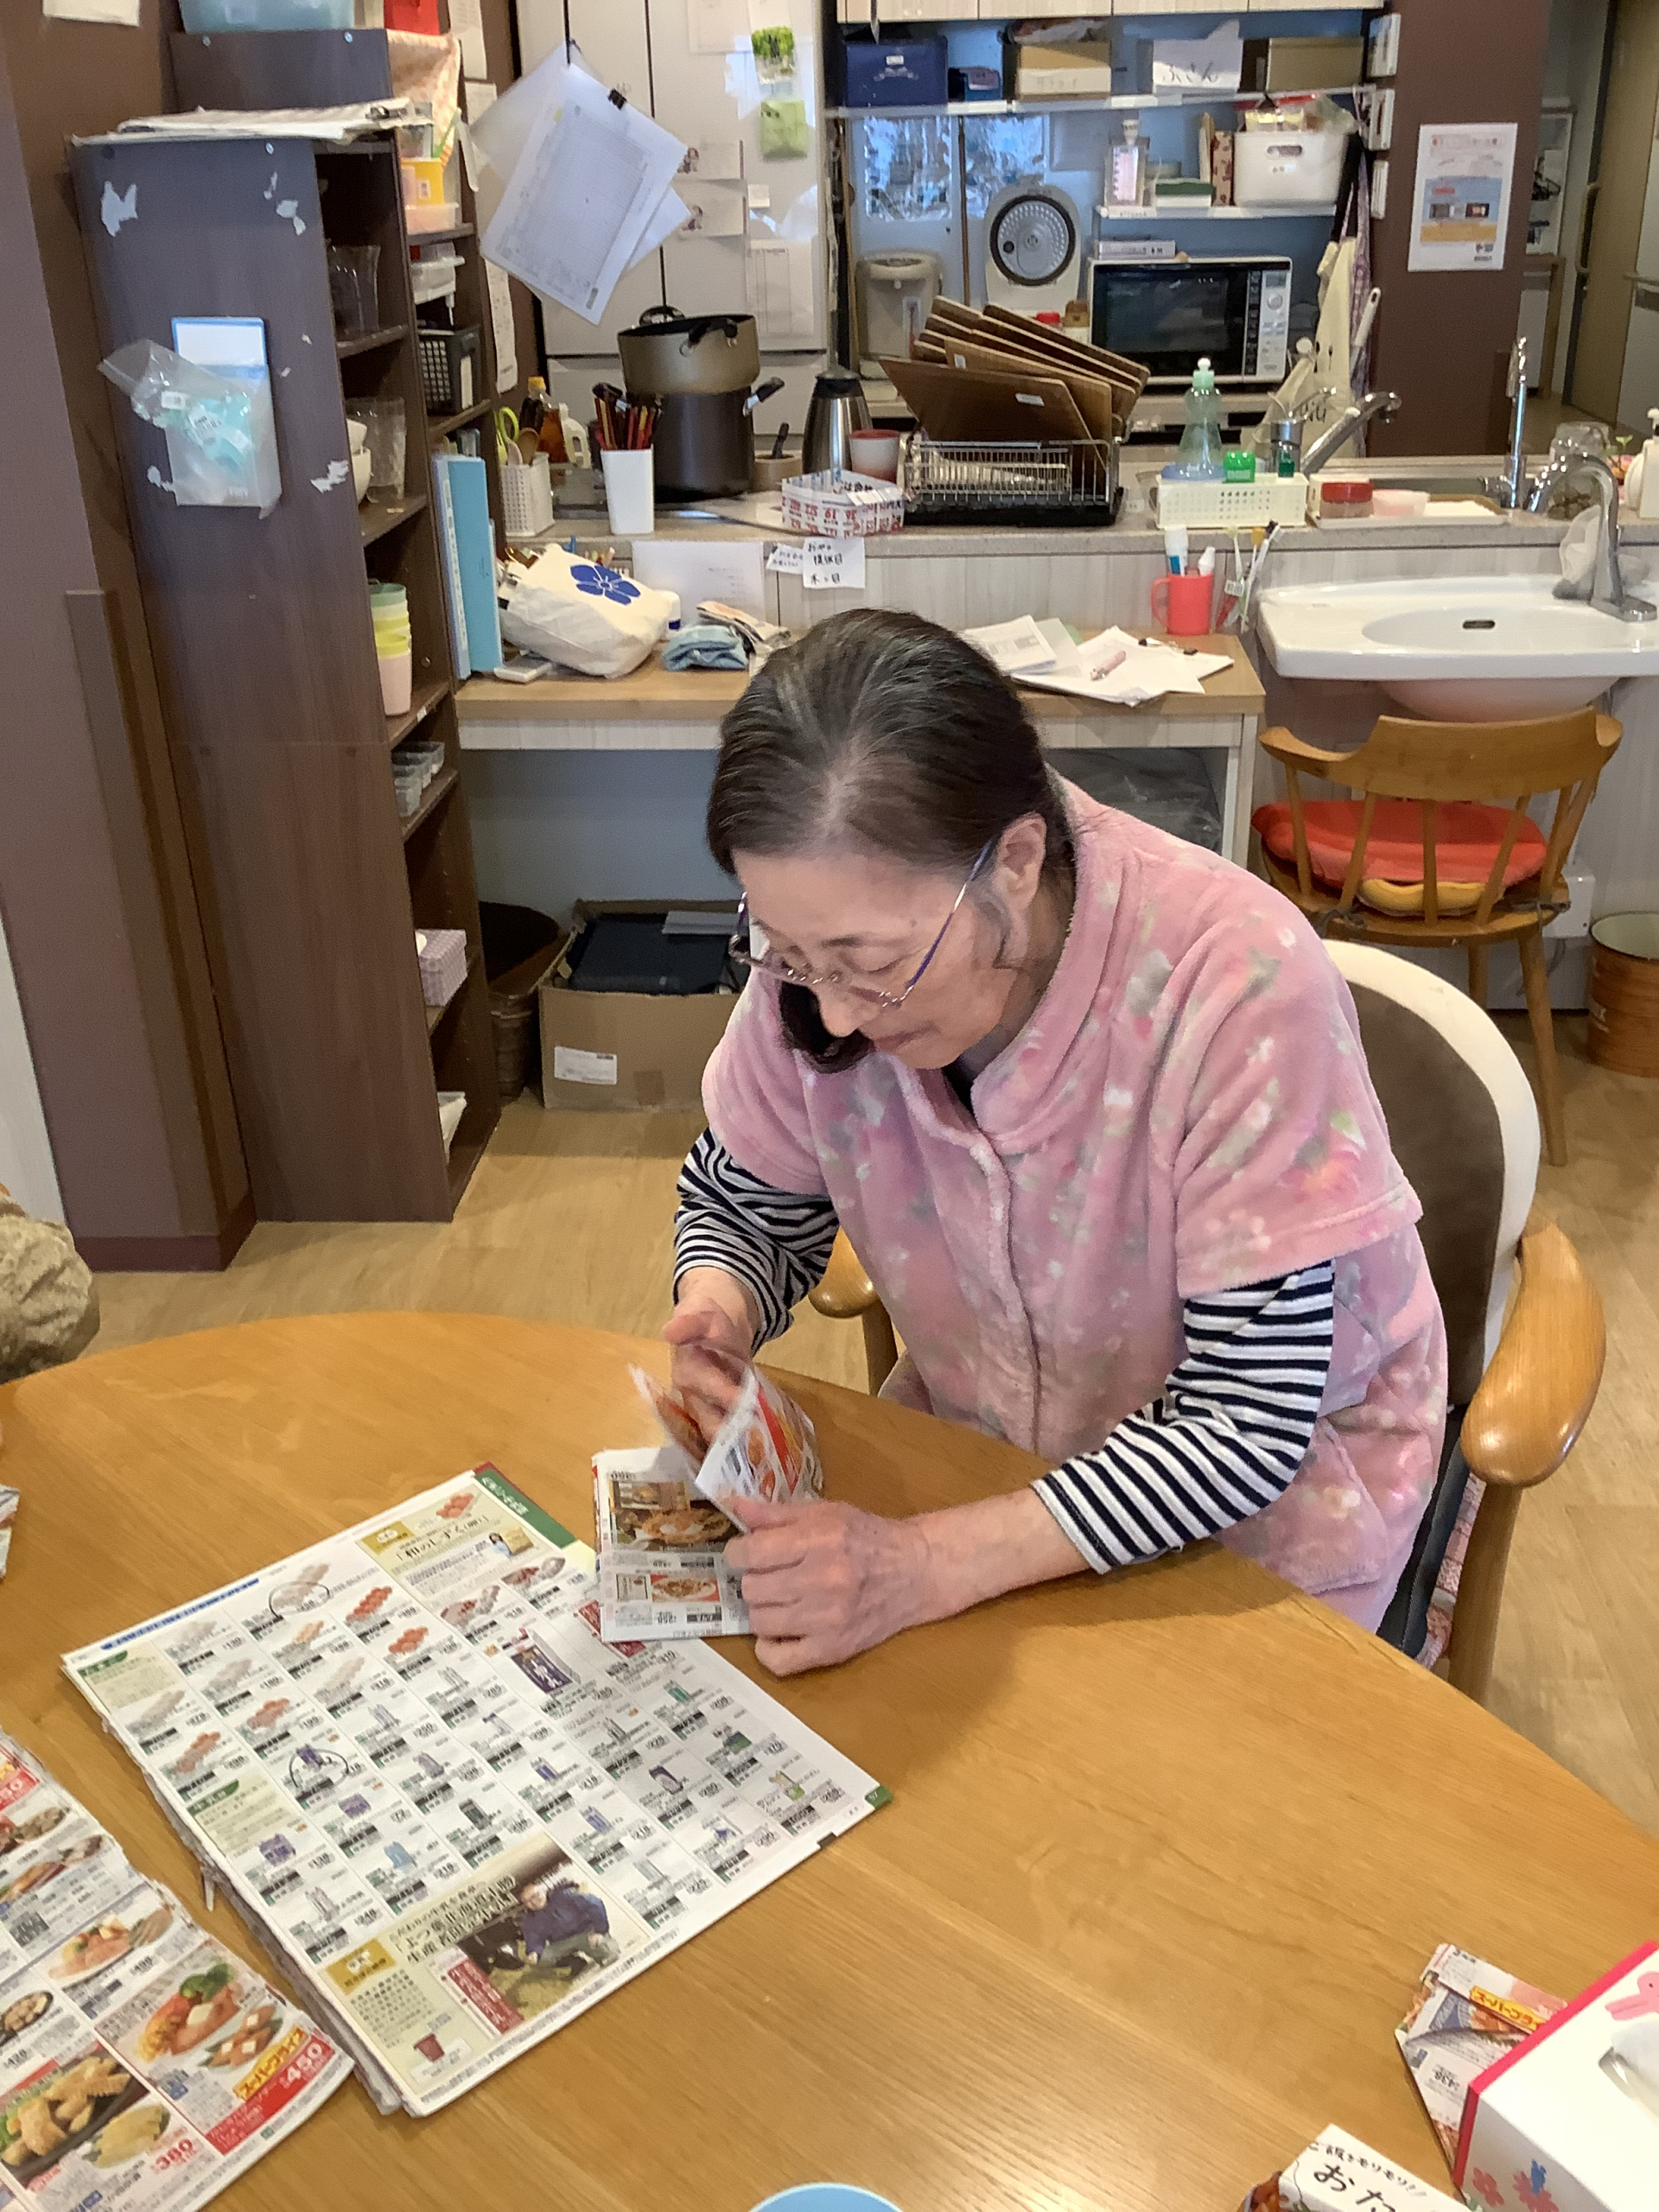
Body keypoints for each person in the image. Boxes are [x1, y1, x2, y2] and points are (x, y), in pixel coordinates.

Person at [666, 610, 1446, 1677]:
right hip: (984, 1453)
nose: (835, 1012)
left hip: (1261, 1516)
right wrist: (720, 1306)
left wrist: (921, 1565)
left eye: (871, 964)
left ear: (1018, 861)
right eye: (791, 953)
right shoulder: (818, 960)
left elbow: (1246, 1420)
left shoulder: (1234, 983)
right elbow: (747, 1197)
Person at [518, 1873, 616, 1970]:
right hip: (563, 1943)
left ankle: (603, 1952)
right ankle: (575, 1963)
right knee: (541, 1960)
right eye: (527, 1901)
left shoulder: (565, 1894)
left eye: (535, 1896)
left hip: (586, 1933)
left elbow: (594, 1904)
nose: (533, 1902)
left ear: (543, 1890)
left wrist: (599, 1931)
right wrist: (534, 1953)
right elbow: (534, 1940)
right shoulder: (530, 1921)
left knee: (610, 1954)